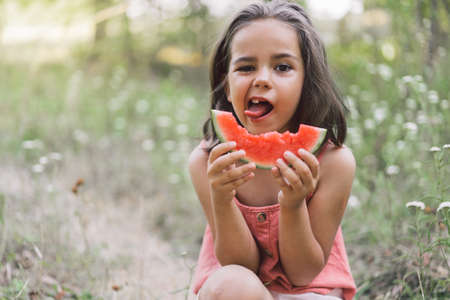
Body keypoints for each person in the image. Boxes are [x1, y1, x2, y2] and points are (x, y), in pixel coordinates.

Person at [188, 1, 356, 299]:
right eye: (246, 67)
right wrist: (222, 199)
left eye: (282, 67)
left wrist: (293, 205)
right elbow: (241, 266)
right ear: (227, 86)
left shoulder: (334, 163)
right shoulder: (208, 163)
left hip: (309, 291)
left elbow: (303, 272)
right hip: (238, 290)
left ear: (307, 82)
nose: (262, 79)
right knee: (231, 284)